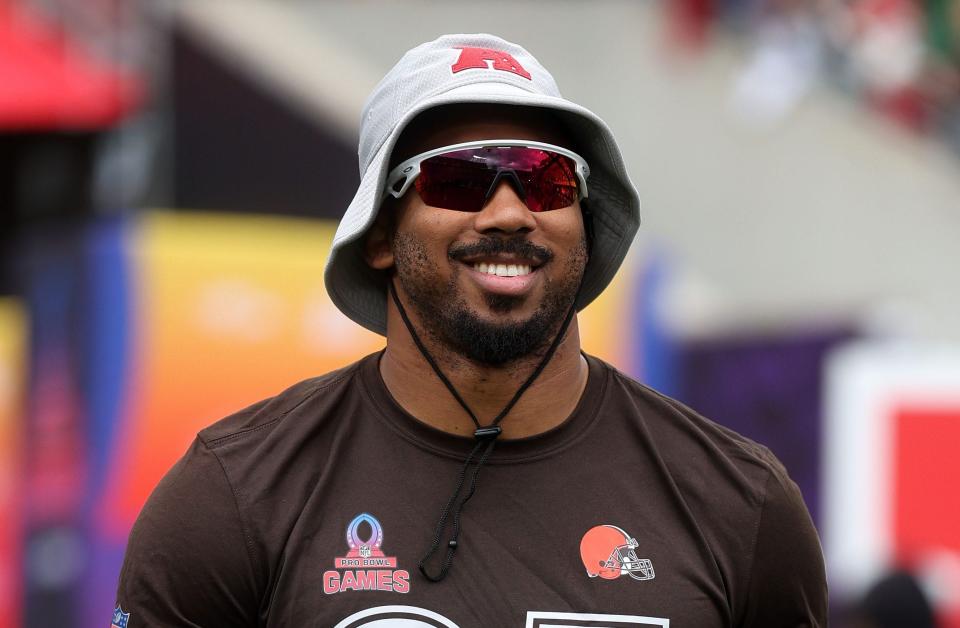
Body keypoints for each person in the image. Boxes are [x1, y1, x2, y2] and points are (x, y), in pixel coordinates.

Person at [114, 34, 827, 627]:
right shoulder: (232, 498)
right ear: (381, 235)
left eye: (545, 179)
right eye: (460, 179)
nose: (511, 212)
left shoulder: (741, 506)